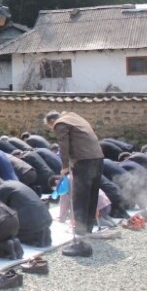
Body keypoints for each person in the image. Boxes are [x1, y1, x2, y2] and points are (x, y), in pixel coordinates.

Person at [44, 110, 104, 257]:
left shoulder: (60, 123)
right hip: (97, 157)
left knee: (80, 197)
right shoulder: (74, 117)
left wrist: (65, 166)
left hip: (83, 160)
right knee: (92, 194)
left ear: (51, 122)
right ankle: (88, 227)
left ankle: (80, 234)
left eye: (50, 127)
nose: (52, 129)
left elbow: (63, 146)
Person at [0, 177, 52, 248]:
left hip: (33, 224)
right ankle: (41, 233)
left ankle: (36, 235)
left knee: (10, 234)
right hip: (47, 219)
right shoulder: (14, 183)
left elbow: (0, 211)